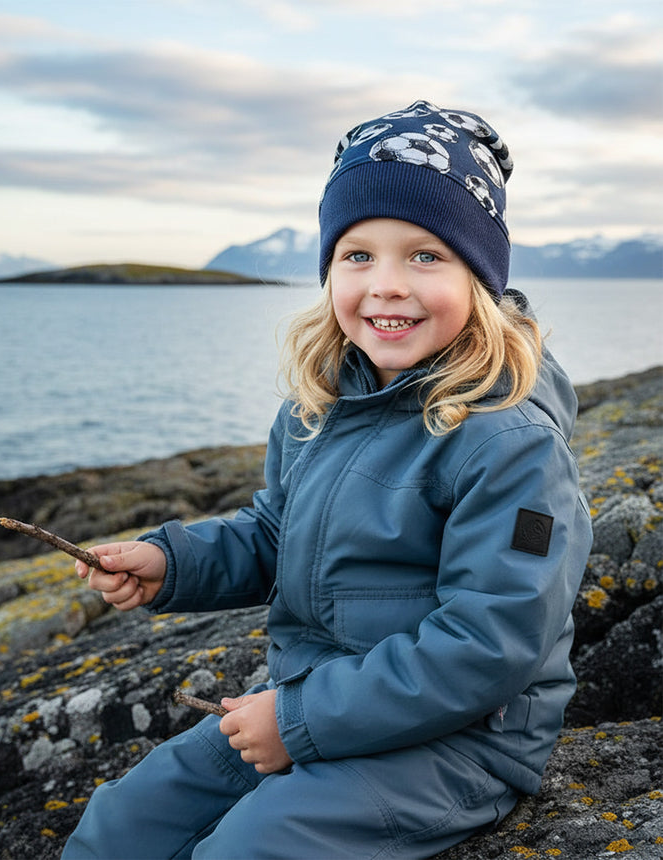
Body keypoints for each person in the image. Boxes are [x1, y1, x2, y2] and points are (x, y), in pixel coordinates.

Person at [61, 100, 593, 859]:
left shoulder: (510, 444)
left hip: (459, 741)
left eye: (425, 256)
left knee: (251, 848)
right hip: (312, 703)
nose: (387, 285)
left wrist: (298, 720)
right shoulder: (320, 405)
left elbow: (491, 642)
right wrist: (171, 563)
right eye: (357, 255)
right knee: (123, 824)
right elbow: (278, 536)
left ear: (480, 275)